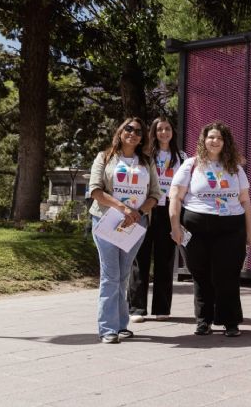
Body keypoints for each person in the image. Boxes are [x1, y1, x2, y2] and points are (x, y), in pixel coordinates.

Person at [169, 122, 251, 337]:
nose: (215, 141)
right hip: (196, 229)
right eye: (211, 137)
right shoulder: (191, 165)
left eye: (219, 138)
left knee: (228, 274)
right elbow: (175, 197)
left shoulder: (235, 167)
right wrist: (175, 226)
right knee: (201, 274)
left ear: (226, 142)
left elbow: (245, 200)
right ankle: (203, 321)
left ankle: (230, 321)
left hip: (231, 228)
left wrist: (250, 231)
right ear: (203, 140)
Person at [88, 117, 161, 343]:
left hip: (136, 223)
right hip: (107, 220)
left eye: (138, 131)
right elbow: (95, 190)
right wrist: (123, 208)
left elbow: (155, 194)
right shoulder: (104, 157)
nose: (133, 133)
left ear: (143, 138)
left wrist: (138, 213)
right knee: (111, 275)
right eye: (129, 129)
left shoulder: (147, 161)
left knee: (123, 275)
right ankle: (107, 329)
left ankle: (121, 325)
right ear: (120, 132)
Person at [128, 116, 187, 323]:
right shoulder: (144, 155)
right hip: (147, 209)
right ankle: (136, 308)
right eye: (159, 129)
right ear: (153, 132)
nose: (164, 132)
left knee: (165, 259)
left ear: (173, 132)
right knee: (140, 258)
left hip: (169, 210)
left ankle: (162, 308)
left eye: (167, 128)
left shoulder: (181, 156)